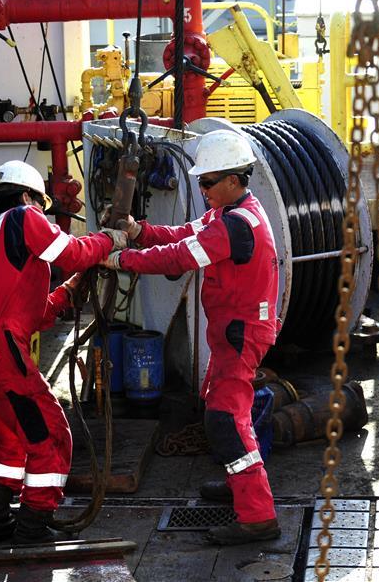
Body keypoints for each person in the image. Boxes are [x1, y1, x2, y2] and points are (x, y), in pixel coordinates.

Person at [101, 129, 281, 545]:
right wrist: (139, 231)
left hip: (241, 335)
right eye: (201, 182)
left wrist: (122, 259)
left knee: (225, 420)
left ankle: (257, 515)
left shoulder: (237, 225)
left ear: (234, 179)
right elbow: (183, 235)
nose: (203, 189)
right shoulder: (229, 213)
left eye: (208, 182)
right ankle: (240, 485)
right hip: (232, 331)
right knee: (225, 412)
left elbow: (181, 256)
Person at [0, 160, 127, 545]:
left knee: (10, 442)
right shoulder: (24, 216)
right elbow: (72, 252)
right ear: (29, 197)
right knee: (52, 437)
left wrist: (68, 292)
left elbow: (28, 313)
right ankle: (32, 527)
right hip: (2, 361)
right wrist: (108, 240)